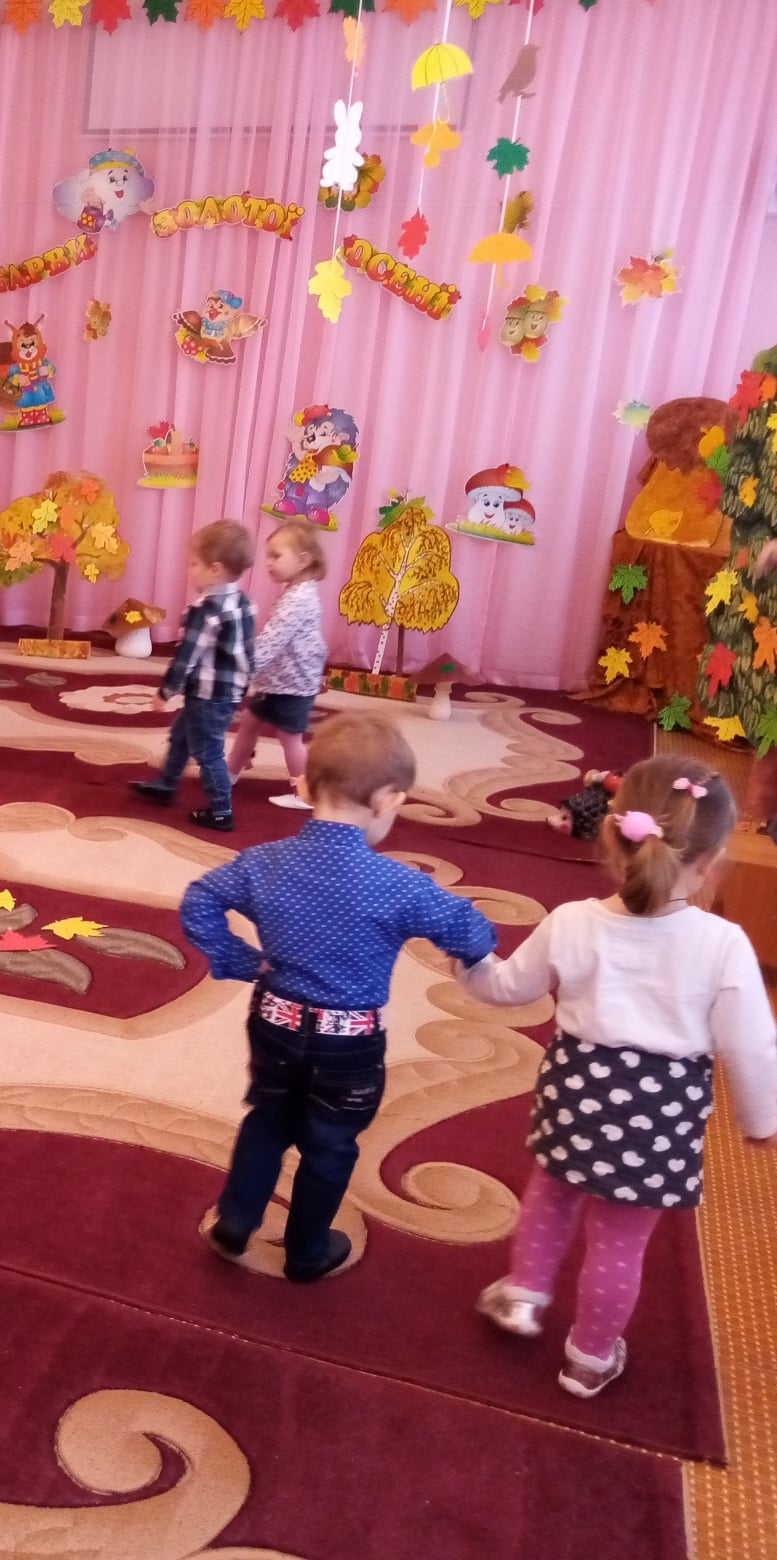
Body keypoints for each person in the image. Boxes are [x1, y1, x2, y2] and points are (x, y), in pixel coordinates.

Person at [462, 756, 777, 1398]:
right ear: (713, 860)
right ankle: (590, 1357)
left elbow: (506, 987)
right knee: (621, 1240)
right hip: (660, 1114)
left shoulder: (572, 920)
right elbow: (752, 1045)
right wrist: (760, 1120)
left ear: (611, 835)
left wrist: (466, 958)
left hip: (575, 1090)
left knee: (551, 1194)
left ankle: (524, 1295)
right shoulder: (722, 945)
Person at [180, 714, 497, 1282]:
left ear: (304, 787)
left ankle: (236, 1219)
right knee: (330, 1143)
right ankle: (306, 1252)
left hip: (275, 1021)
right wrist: (473, 948)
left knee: (268, 1120)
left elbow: (199, 899)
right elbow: (472, 933)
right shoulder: (399, 884)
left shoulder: (265, 862)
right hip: (348, 1046)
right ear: (388, 799)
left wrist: (240, 960)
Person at [132, 520, 256, 832]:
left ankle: (221, 811)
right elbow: (247, 650)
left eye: (193, 564)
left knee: (208, 751)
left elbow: (186, 657)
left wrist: (166, 690)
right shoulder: (243, 602)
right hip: (228, 692)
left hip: (207, 695)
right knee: (181, 736)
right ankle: (166, 784)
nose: (188, 570)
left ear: (215, 569)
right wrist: (248, 683)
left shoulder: (204, 610)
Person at [227, 520, 328, 812]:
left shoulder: (299, 599)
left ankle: (305, 792)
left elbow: (272, 641)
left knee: (290, 737)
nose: (268, 563)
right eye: (268, 556)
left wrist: (243, 669)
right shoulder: (295, 590)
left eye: (276, 556)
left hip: (293, 684)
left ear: (303, 560)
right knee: (250, 722)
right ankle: (230, 771)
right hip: (277, 680)